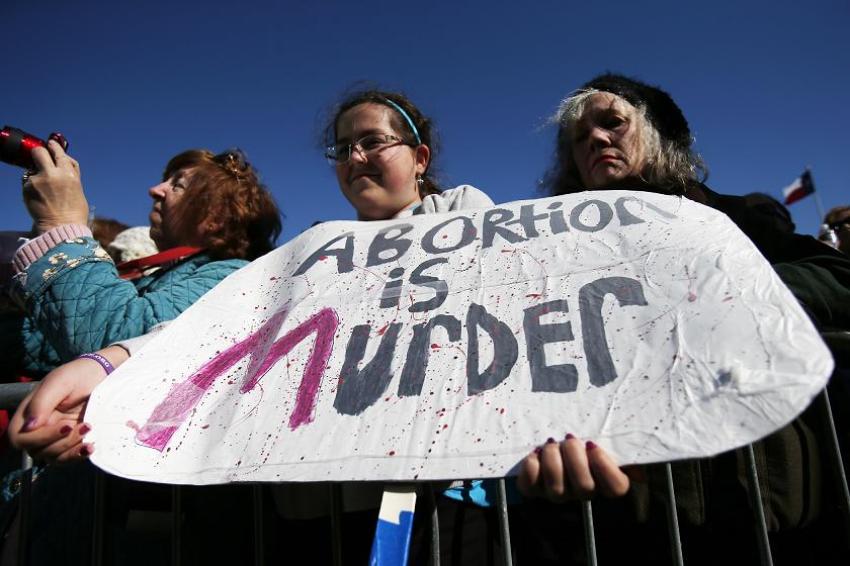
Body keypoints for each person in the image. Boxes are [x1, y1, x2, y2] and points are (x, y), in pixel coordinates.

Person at [11, 89, 496, 565]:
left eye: (373, 141)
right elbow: (231, 326)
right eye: (343, 148)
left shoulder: (458, 210)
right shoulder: (316, 248)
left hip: (439, 490)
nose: (356, 157)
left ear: (419, 158)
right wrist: (110, 360)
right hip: (319, 501)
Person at [518, 73, 850, 565]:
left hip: (766, 500)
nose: (597, 141)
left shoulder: (732, 218)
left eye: (612, 123)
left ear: (656, 133)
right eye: (580, 140)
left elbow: (838, 277)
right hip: (631, 512)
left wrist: (712, 293)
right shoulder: (551, 254)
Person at [5, 145, 281, 377]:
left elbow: (120, 345)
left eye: (178, 185)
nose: (155, 189)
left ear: (217, 217)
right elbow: (51, 345)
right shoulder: (160, 276)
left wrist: (60, 224)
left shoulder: (233, 277)